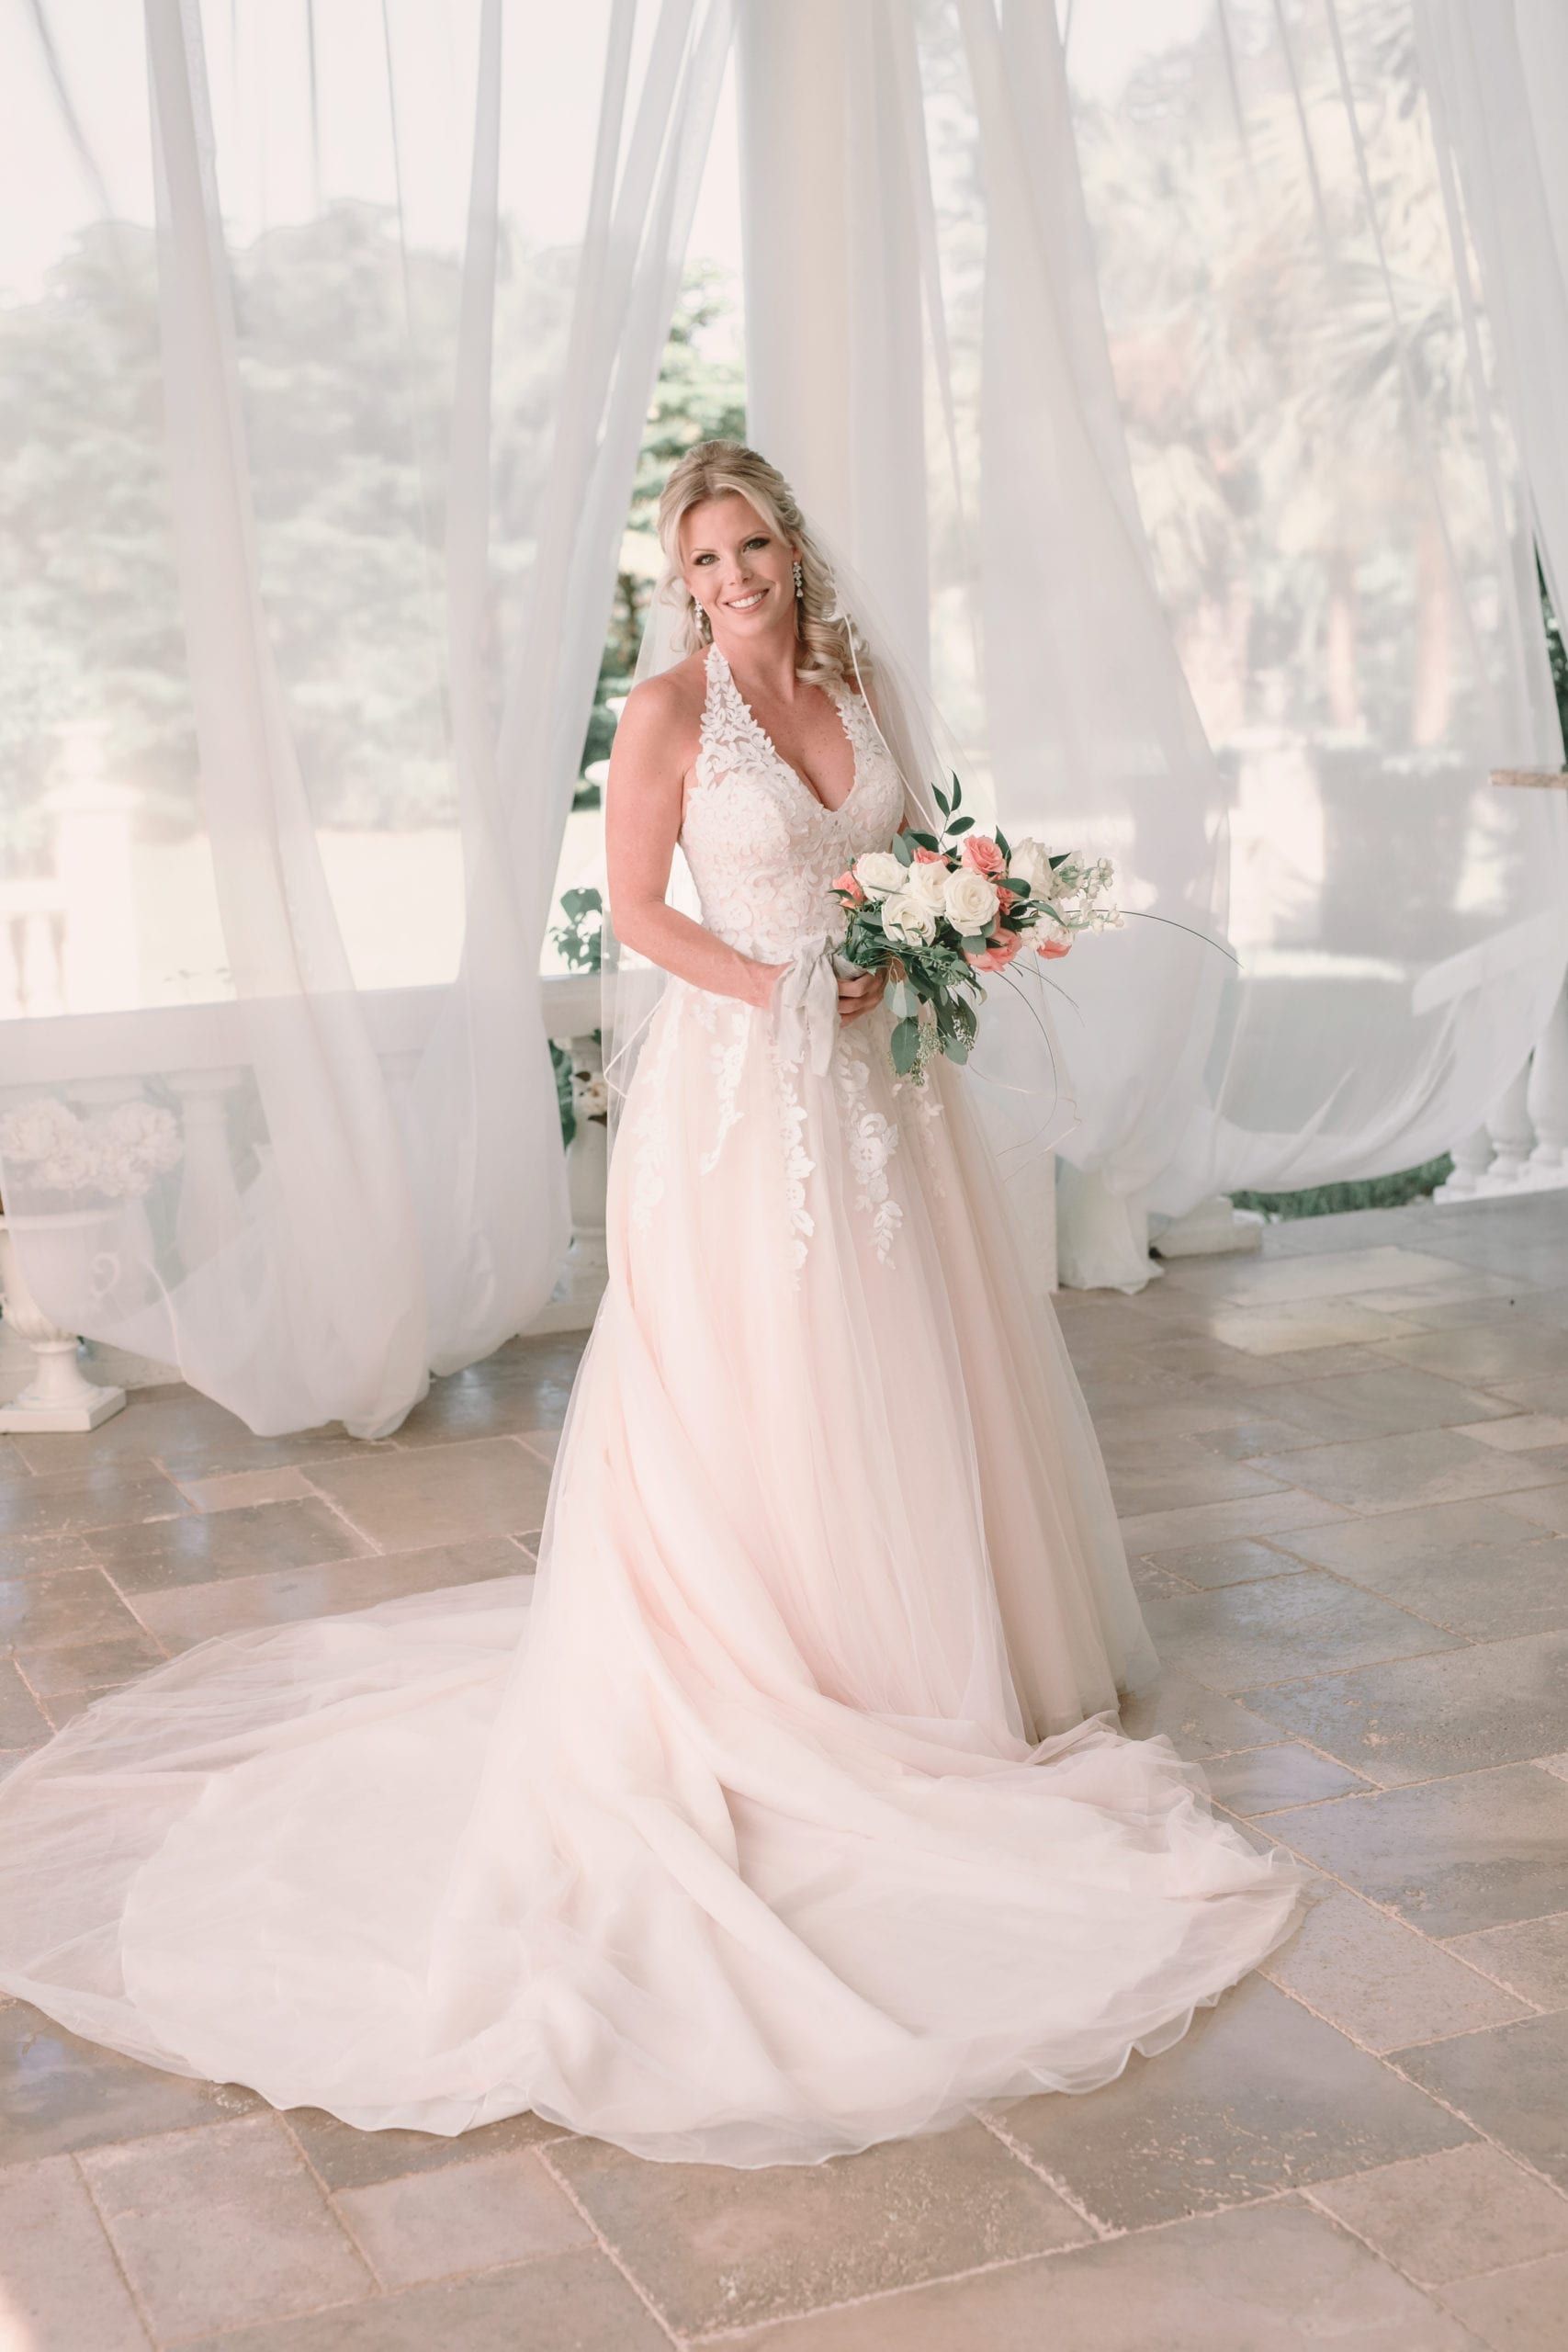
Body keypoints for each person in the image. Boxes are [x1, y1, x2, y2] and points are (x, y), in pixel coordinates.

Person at [0, 441, 1312, 2170]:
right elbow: (633, 913)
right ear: (677, 581)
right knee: (772, 1380)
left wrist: (956, 925)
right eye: (703, 559)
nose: (735, 577)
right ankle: (789, 1675)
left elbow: (913, 848)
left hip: (881, 1093)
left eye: (752, 542)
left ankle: (927, 1653)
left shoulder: (852, 680)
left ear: (789, 545)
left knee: (913, 1360)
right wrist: (788, 987)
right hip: (746, 1093)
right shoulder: (673, 716)